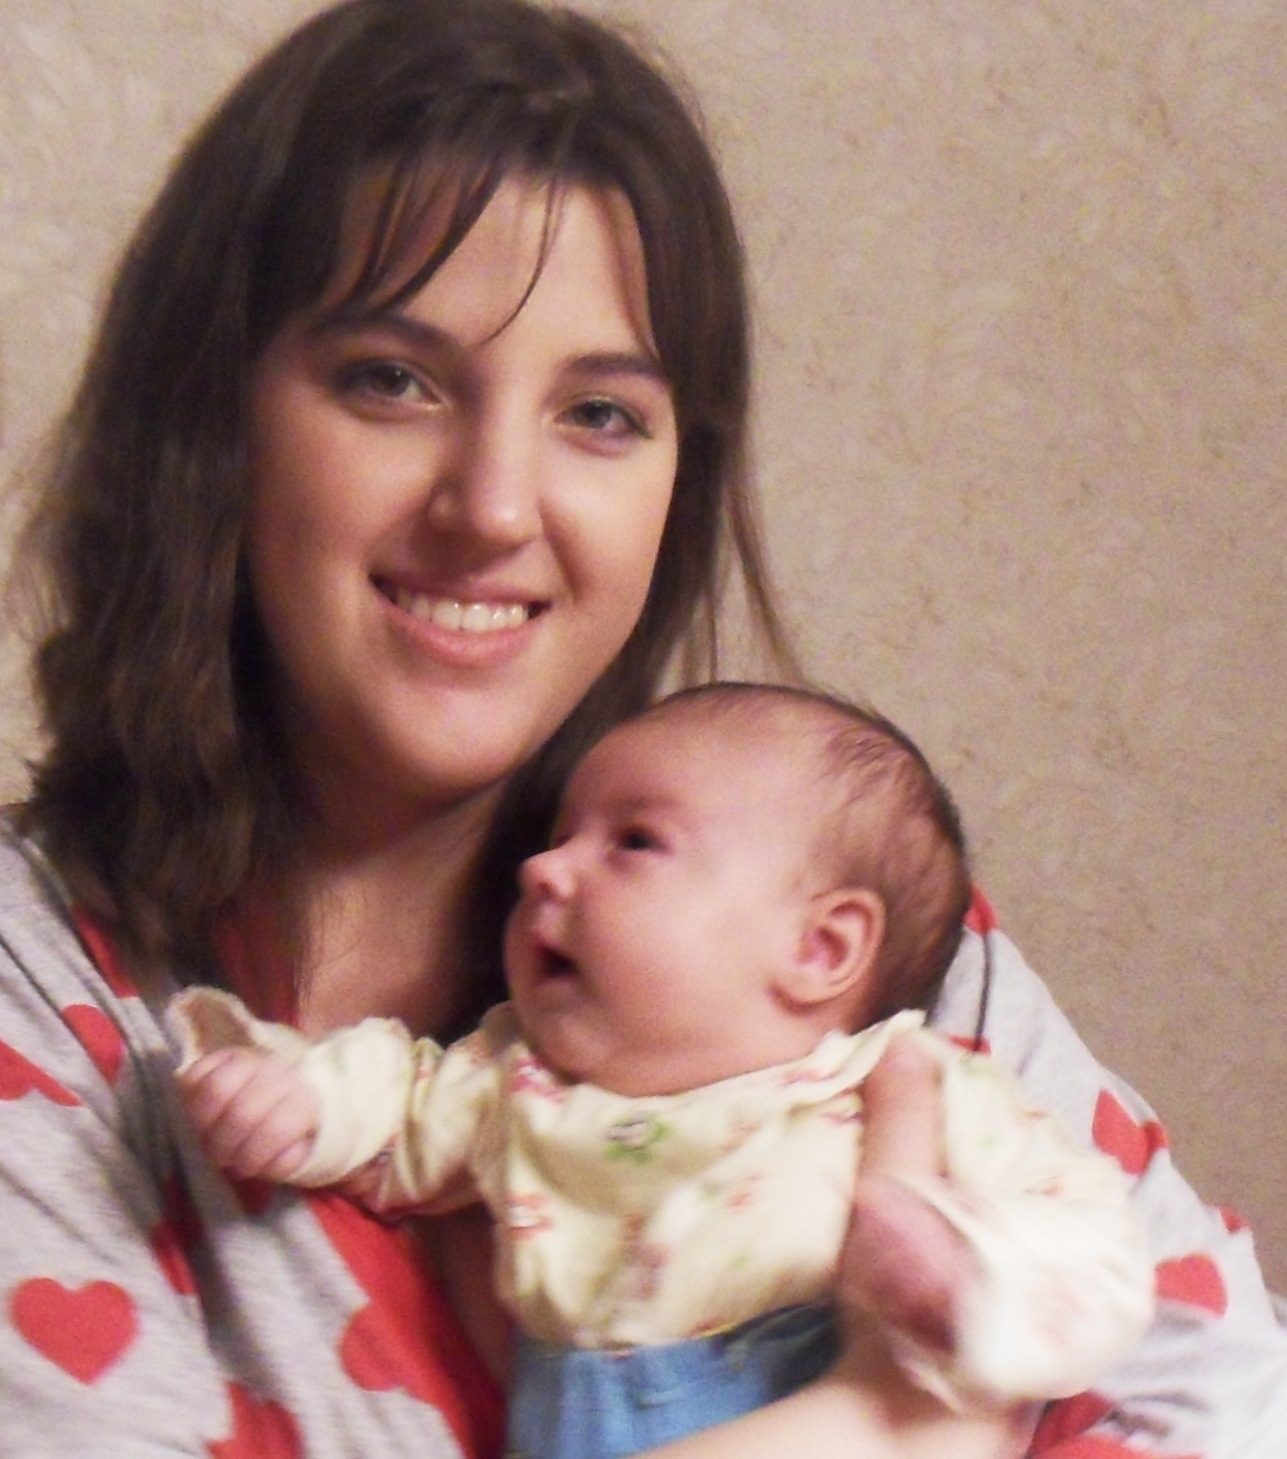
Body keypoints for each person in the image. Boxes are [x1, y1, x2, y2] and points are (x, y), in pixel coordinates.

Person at [0, 0, 1282, 1454]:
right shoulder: (46, 1002)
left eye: (601, 413)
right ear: (212, 416)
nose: (494, 506)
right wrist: (884, 1423)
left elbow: (1229, 1394)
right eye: (392, 380)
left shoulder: (831, 920)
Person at [171, 682, 1157, 1459]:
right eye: (559, 837)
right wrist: (293, 1095)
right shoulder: (514, 1081)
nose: (543, 870)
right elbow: (396, 1104)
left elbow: (1098, 1242)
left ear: (818, 948)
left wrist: (967, 1282)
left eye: (634, 841)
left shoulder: (901, 1087)